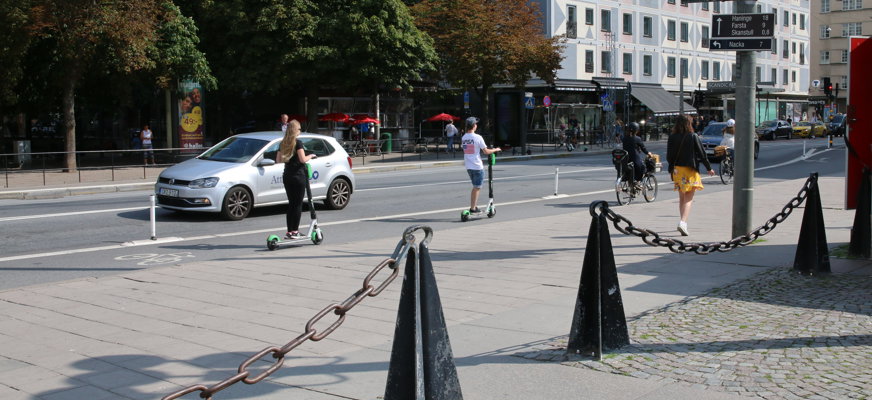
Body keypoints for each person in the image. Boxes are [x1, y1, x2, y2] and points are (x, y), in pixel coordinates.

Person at [666, 114, 714, 236]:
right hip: (689, 170)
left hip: (677, 170)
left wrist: (671, 168)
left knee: (682, 197)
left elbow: (669, 156)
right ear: (689, 124)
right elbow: (702, 154)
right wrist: (709, 168)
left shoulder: (672, 137)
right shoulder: (693, 136)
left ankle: (683, 221)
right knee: (689, 198)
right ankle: (683, 222)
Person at [277, 120, 317, 240]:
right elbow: (302, 159)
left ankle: (289, 231)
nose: (300, 131)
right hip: (298, 176)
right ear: (295, 130)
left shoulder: (283, 143)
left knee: (291, 204)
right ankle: (295, 231)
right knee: (298, 204)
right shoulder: (298, 143)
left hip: (287, 176)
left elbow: (278, 160)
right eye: (299, 129)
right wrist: (311, 155)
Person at [461, 116, 501, 214]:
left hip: (468, 166)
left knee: (476, 187)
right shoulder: (477, 137)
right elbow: (486, 151)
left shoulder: (464, 137)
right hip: (477, 166)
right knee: (477, 187)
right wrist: (496, 149)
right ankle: (473, 208)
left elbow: (468, 150)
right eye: (476, 124)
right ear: (474, 126)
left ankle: (474, 206)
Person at [621, 122, 652, 189]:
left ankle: (631, 185)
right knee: (643, 168)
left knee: (631, 170)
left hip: (626, 159)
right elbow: (643, 148)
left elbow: (630, 146)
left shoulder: (624, 138)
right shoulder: (637, 138)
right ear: (637, 130)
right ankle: (638, 182)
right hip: (634, 159)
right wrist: (648, 153)